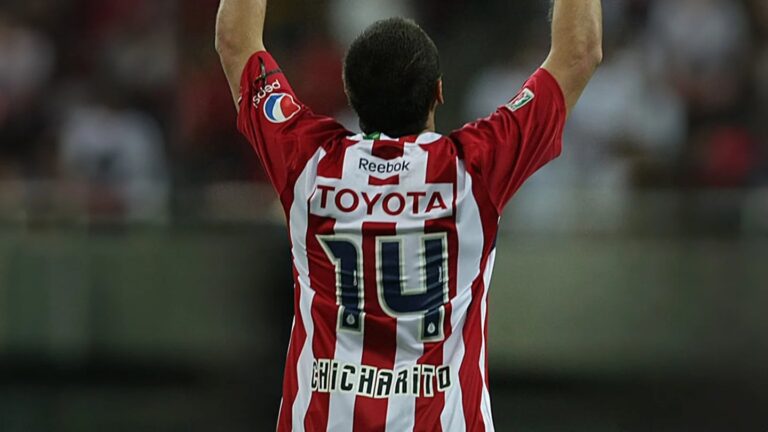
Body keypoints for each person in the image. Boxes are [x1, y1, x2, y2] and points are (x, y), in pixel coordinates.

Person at [215, 0, 602, 430]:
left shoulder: (308, 162)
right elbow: (578, 54)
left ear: (350, 93)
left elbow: (235, 43)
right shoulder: (472, 171)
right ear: (438, 92)